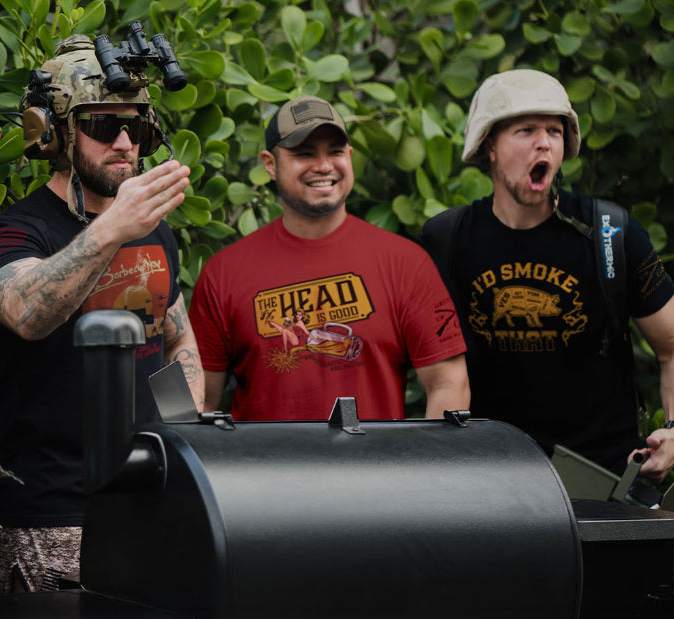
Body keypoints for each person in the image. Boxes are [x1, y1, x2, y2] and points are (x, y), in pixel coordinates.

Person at [0, 35, 203, 594]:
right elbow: (27, 312)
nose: (125, 143)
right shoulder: (16, 231)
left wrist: (181, 438)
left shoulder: (156, 229)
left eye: (139, 127)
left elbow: (176, 340)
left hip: (150, 499)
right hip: (51, 514)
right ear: (56, 133)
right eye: (103, 126)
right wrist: (111, 229)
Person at [417, 69, 674, 481]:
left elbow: (672, 346)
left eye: (554, 131)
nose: (543, 142)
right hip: (486, 481)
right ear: (490, 147)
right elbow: (440, 379)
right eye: (525, 130)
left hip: (601, 484)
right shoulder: (446, 240)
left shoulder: (611, 233)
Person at [188, 95, 469, 422]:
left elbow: (449, 385)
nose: (323, 166)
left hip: (375, 470)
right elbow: (200, 402)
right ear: (269, 163)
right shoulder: (224, 273)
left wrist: (419, 470)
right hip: (266, 472)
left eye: (335, 152)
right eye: (304, 154)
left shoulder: (406, 263)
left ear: (350, 156)